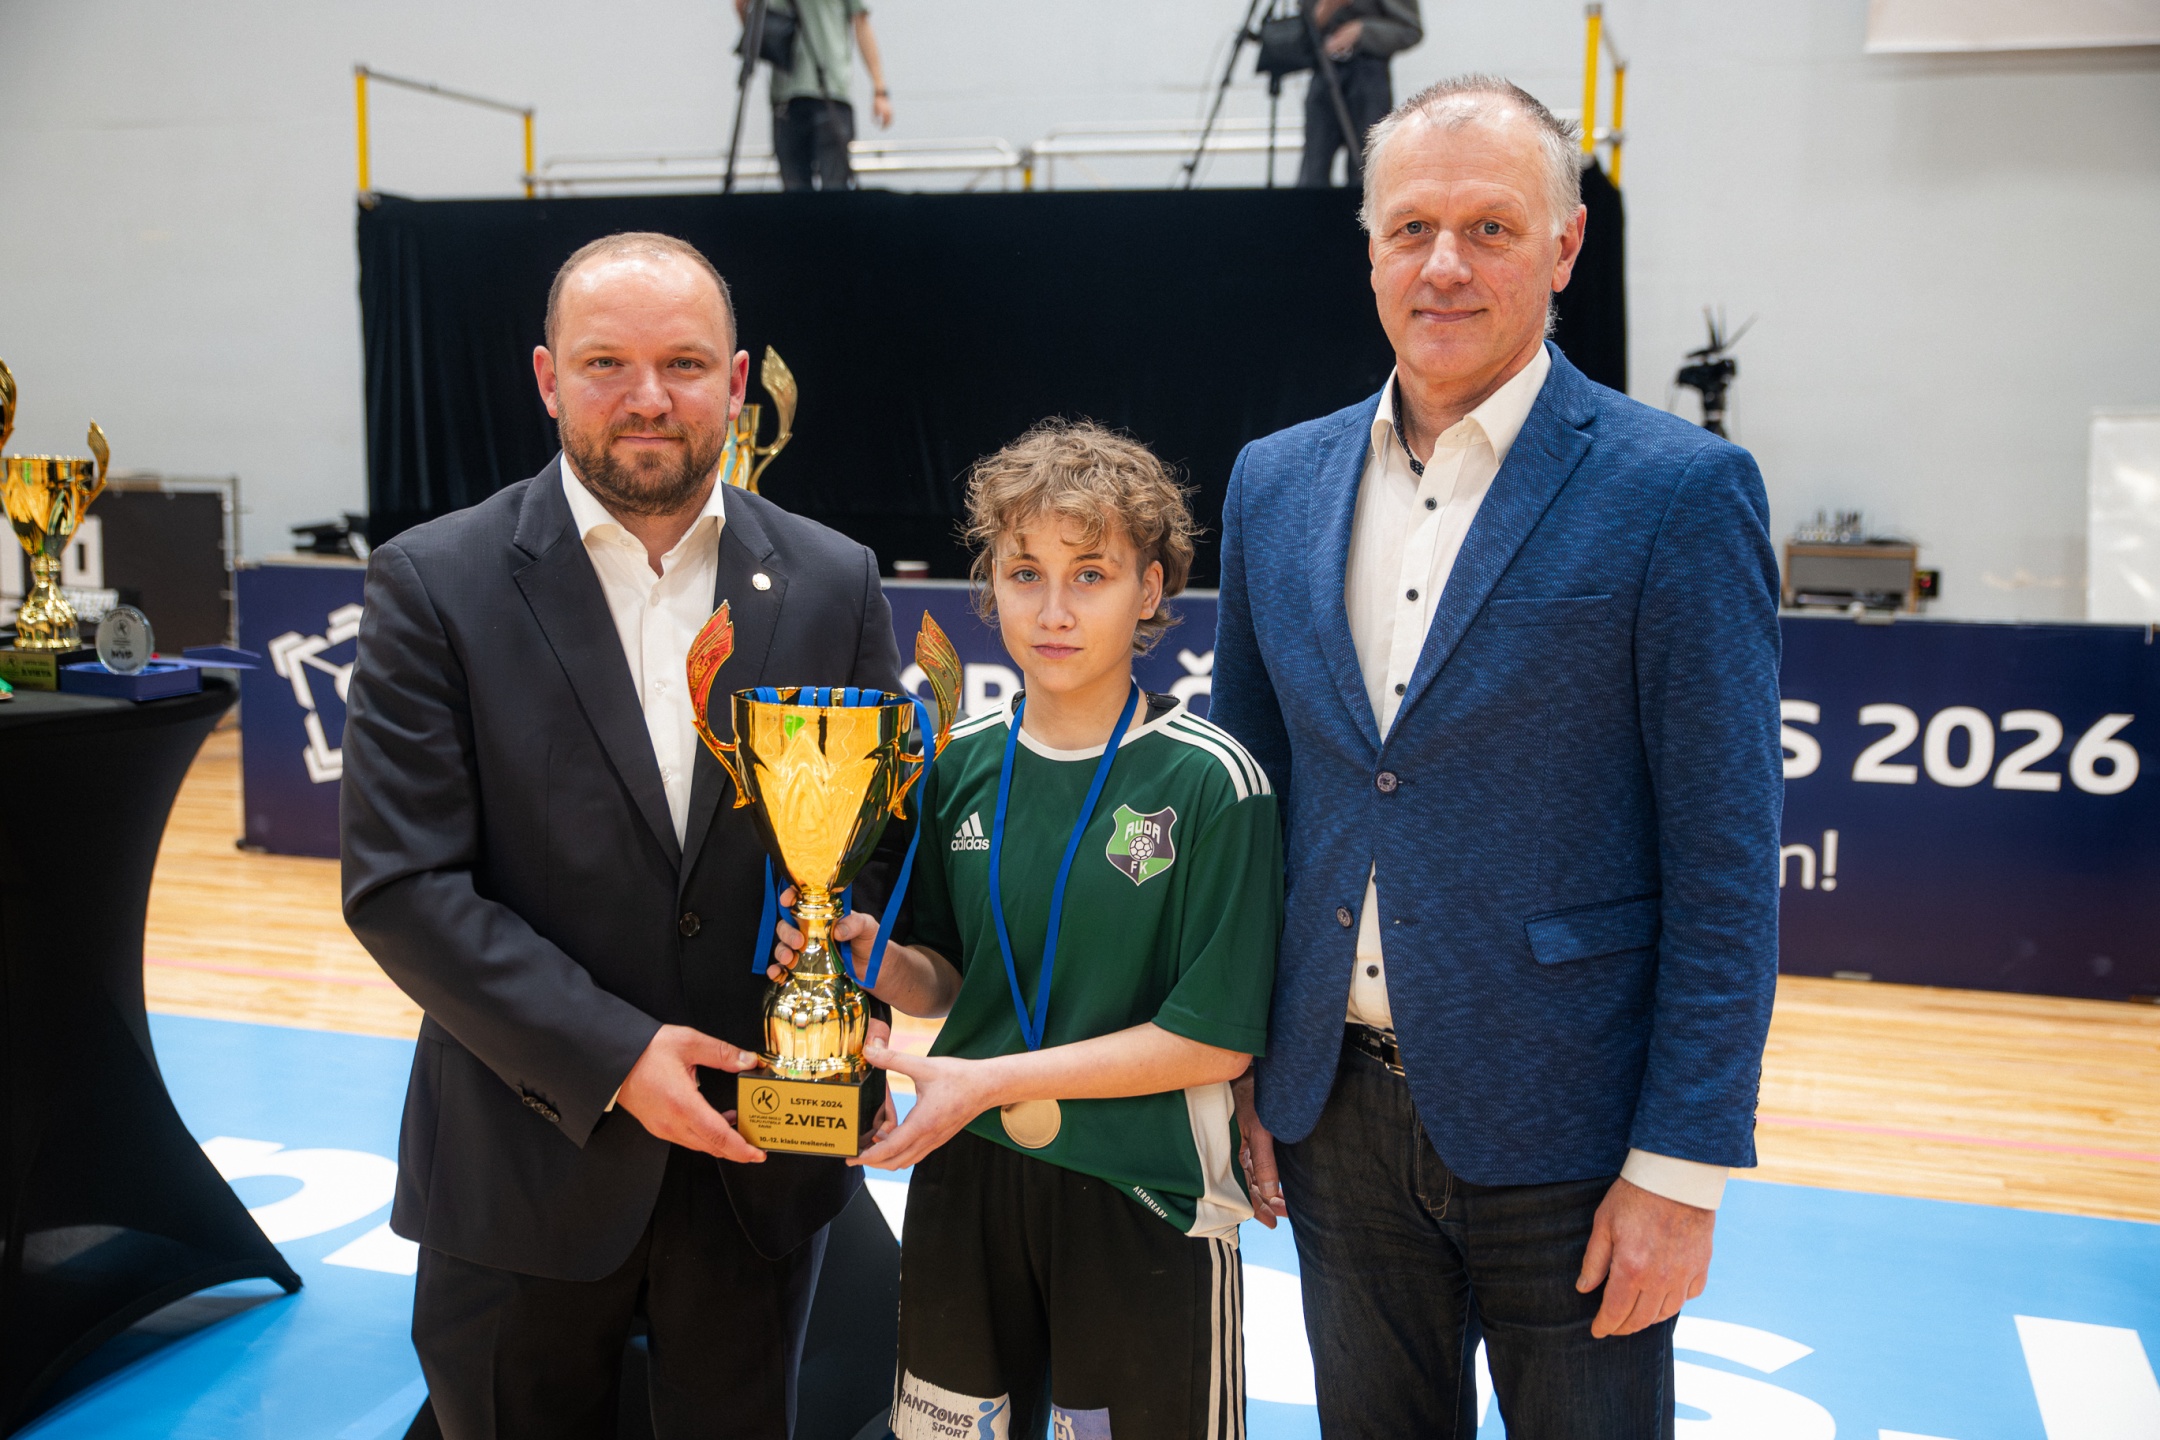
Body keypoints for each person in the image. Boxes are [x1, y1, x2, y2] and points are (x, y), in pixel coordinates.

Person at [1212, 77, 1783, 1437]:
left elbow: (1725, 860)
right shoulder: (1272, 483)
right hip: (1331, 1118)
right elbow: (1248, 809)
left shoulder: (1678, 492)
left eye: (1490, 228)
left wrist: (1682, 1168)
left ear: (1565, 247)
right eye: (1412, 228)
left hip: (1576, 1130)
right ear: (1369, 249)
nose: (1445, 265)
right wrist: (1241, 1067)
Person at [341, 231, 906, 1439]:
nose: (649, 397)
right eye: (607, 363)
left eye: (684, 364)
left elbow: (874, 851)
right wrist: (613, 1054)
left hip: (757, 1172)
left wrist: (854, 975)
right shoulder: (434, 582)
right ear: (548, 379)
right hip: (522, 1166)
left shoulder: (834, 579)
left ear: (737, 383)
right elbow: (402, 886)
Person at [769, 420, 1282, 1439]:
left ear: (1151, 589)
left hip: (1140, 1191)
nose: (1053, 611)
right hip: (968, 1180)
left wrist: (985, 1079)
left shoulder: (1213, 782)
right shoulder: (955, 763)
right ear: (990, 587)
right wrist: (882, 962)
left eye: (1090, 575)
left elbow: (1213, 1041)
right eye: (1024, 573)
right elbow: (950, 979)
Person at [738, 0, 893, 191]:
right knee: (835, 191)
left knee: (796, 194)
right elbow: (861, 22)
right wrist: (879, 89)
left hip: (791, 97)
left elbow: (742, 8)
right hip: (829, 93)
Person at [1297, 0, 1423, 189]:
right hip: (1323, 71)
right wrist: (1326, 9)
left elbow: (1410, 30)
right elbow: (1299, 35)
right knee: (1313, 169)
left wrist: (1362, 31)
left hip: (1369, 76)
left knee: (1365, 169)